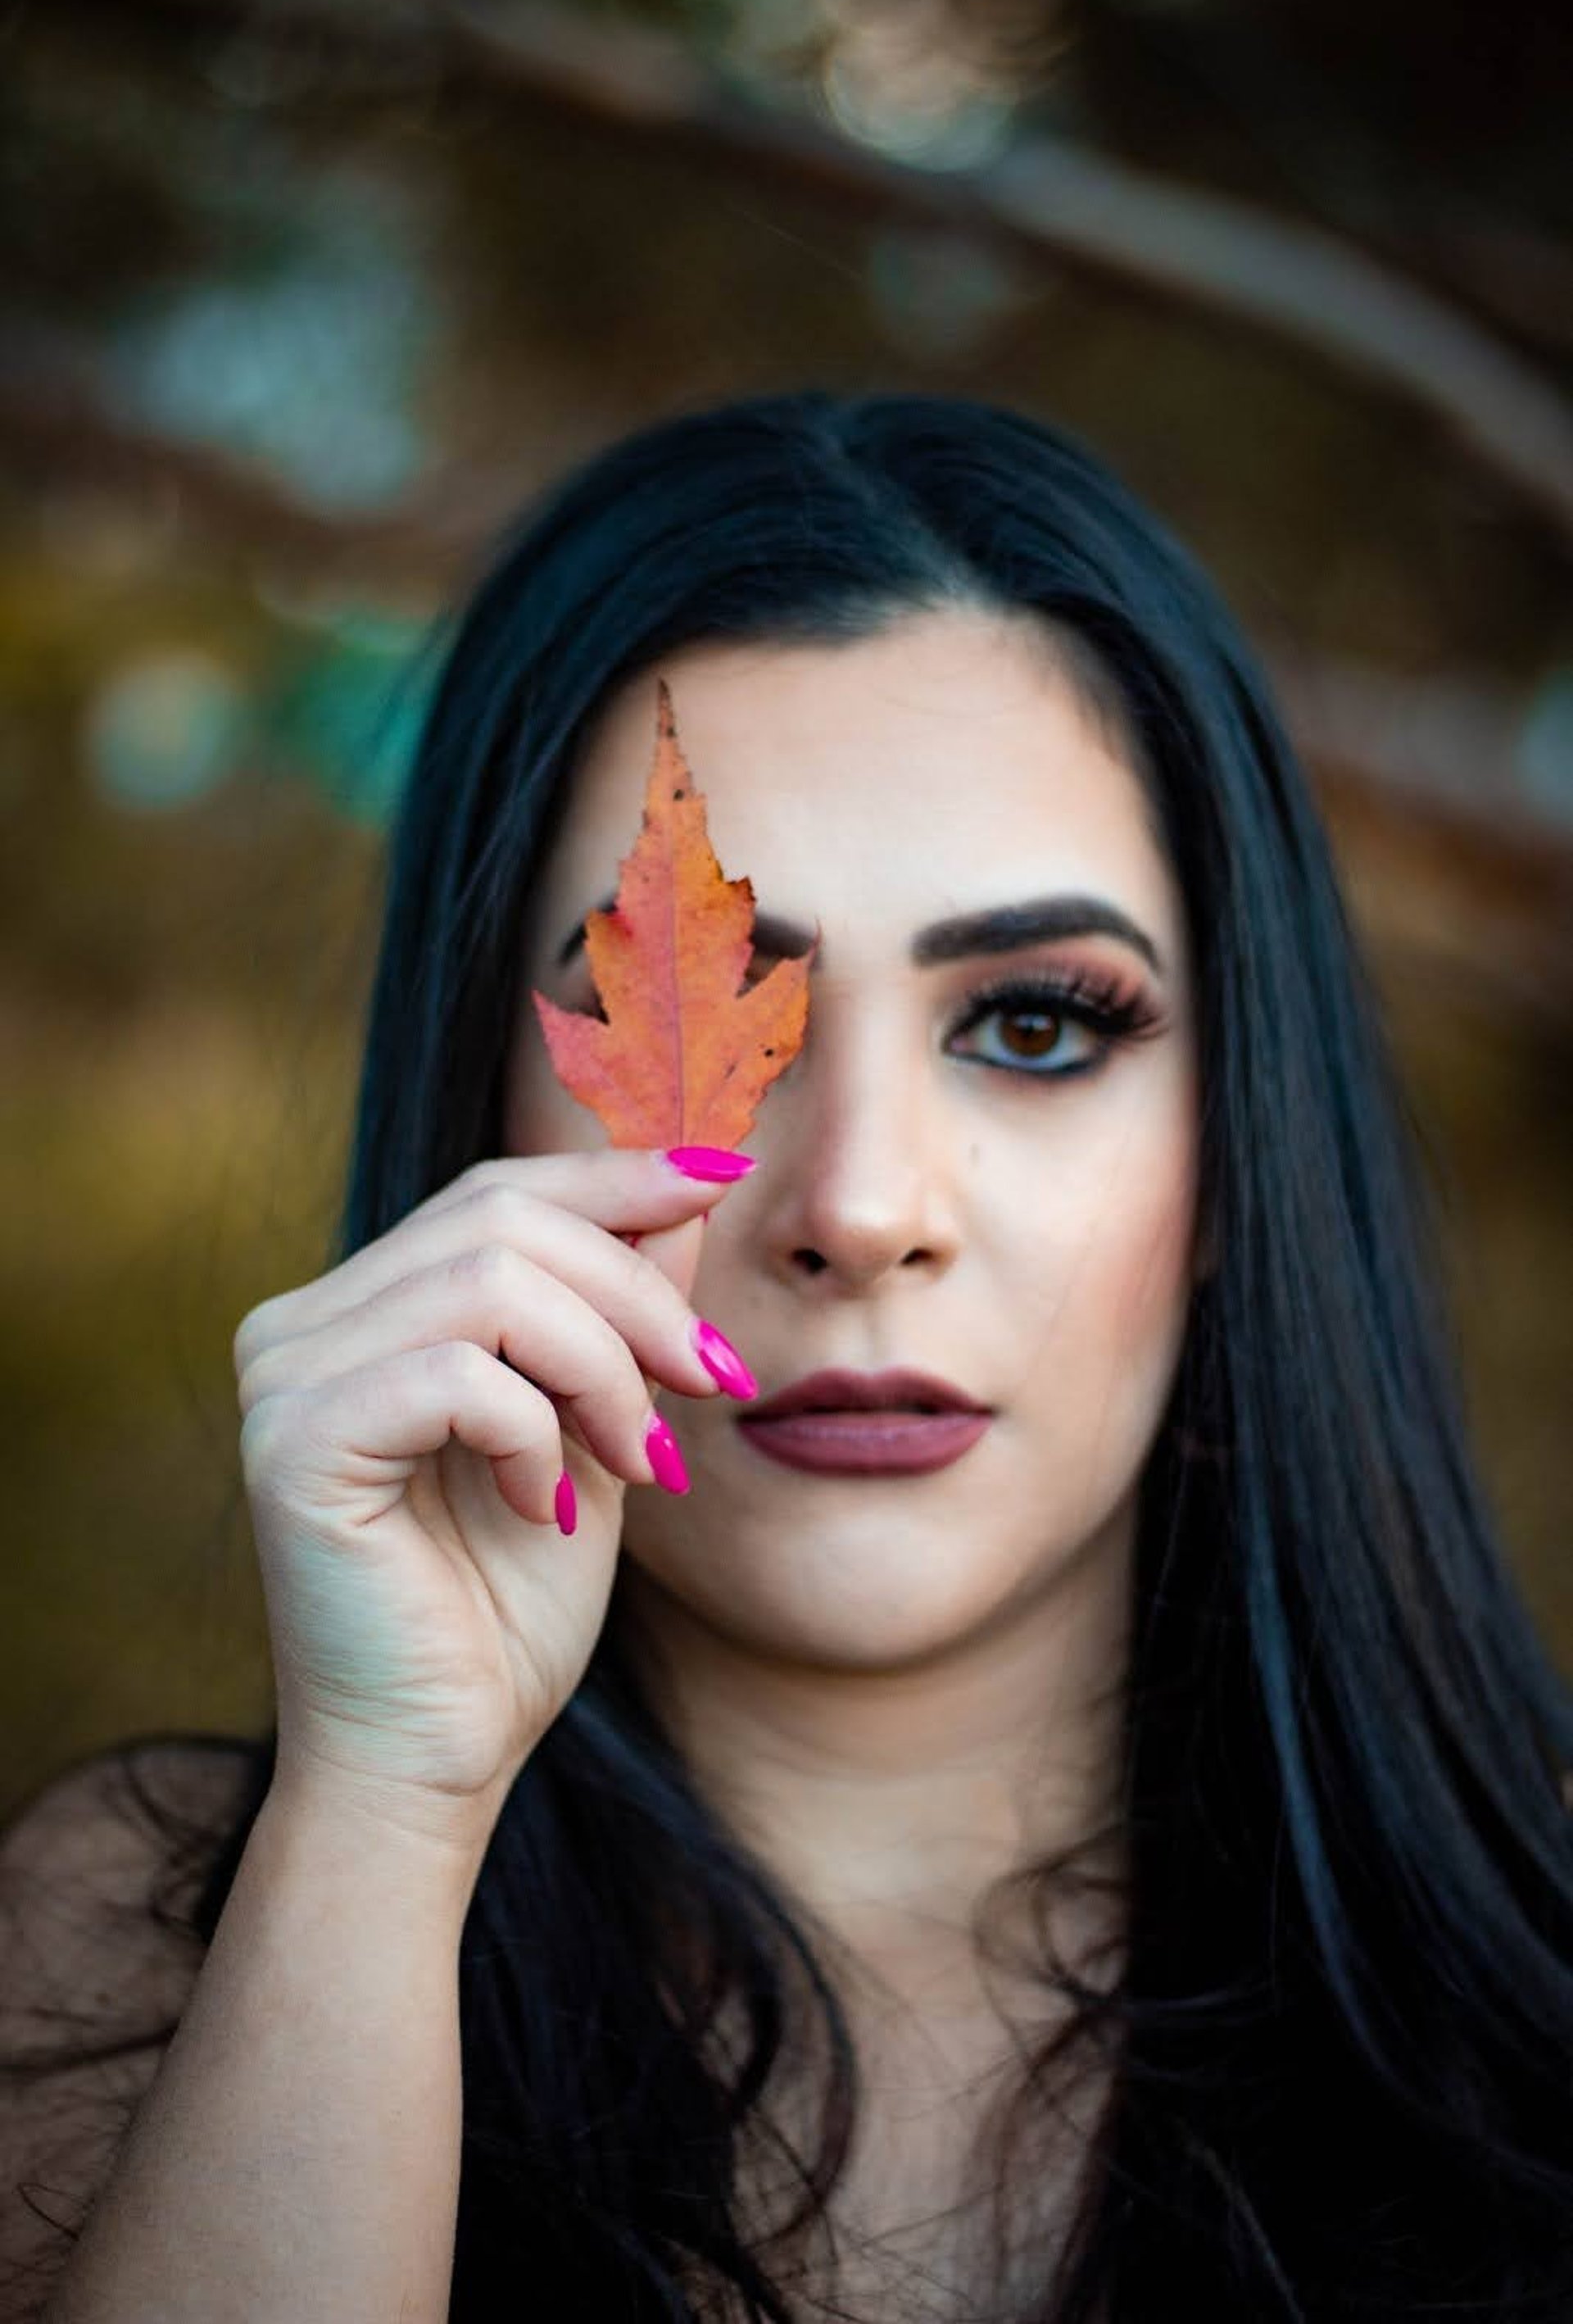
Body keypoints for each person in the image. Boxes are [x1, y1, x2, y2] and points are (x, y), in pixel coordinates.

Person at [4, 390, 1572, 2324]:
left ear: (1244, 1145)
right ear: (472, 1108)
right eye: (719, 1017)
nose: (854, 1205)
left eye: (1034, 1025)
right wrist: (385, 1822)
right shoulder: (148, 1949)